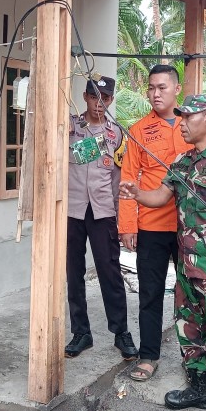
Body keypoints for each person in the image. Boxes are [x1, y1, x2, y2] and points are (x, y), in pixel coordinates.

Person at [120, 94, 206, 411]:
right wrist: (136, 194)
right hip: (187, 266)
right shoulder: (182, 161)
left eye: (188, 116)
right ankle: (200, 390)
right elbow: (159, 198)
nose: (181, 122)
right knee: (188, 329)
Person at [117, 64, 193, 381]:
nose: (155, 93)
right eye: (151, 88)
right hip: (151, 226)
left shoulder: (194, 124)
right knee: (150, 295)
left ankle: (195, 359)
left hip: (190, 226)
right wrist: (127, 226)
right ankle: (149, 356)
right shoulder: (138, 131)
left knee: (191, 295)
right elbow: (127, 179)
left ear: (177, 89)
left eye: (162, 87)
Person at [64, 76, 138, 361]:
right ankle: (81, 333)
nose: (99, 103)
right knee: (74, 274)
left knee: (110, 273)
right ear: (85, 97)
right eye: (95, 97)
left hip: (103, 212)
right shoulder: (69, 127)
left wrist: (123, 220)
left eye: (105, 98)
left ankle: (121, 333)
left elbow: (121, 177)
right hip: (72, 210)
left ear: (110, 100)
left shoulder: (117, 135)